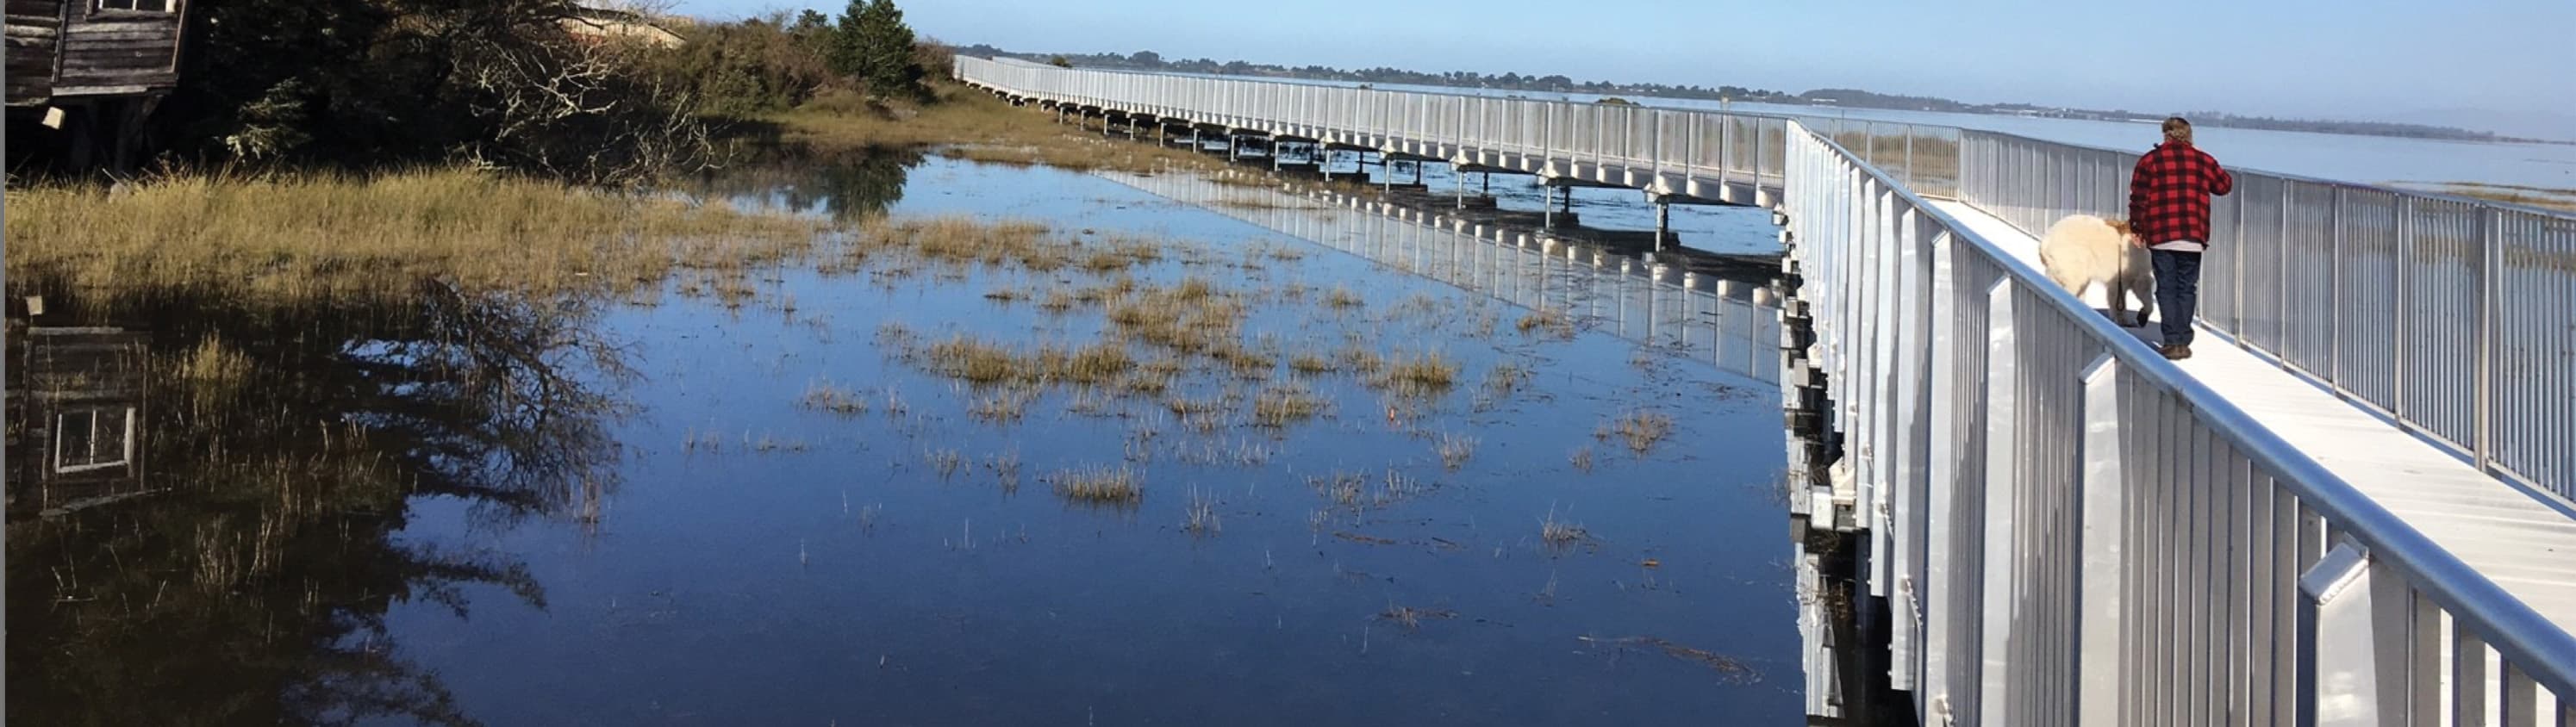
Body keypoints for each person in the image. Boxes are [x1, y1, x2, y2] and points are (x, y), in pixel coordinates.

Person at [2127, 116, 2233, 360]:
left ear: (2165, 134)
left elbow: (2139, 198)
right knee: (2187, 287)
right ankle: (2183, 340)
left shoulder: (2150, 161)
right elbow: (2224, 185)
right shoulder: (2203, 160)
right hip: (2193, 234)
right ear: (2189, 135)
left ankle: (2172, 340)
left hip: (2162, 234)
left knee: (2166, 287)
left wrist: (2137, 227)